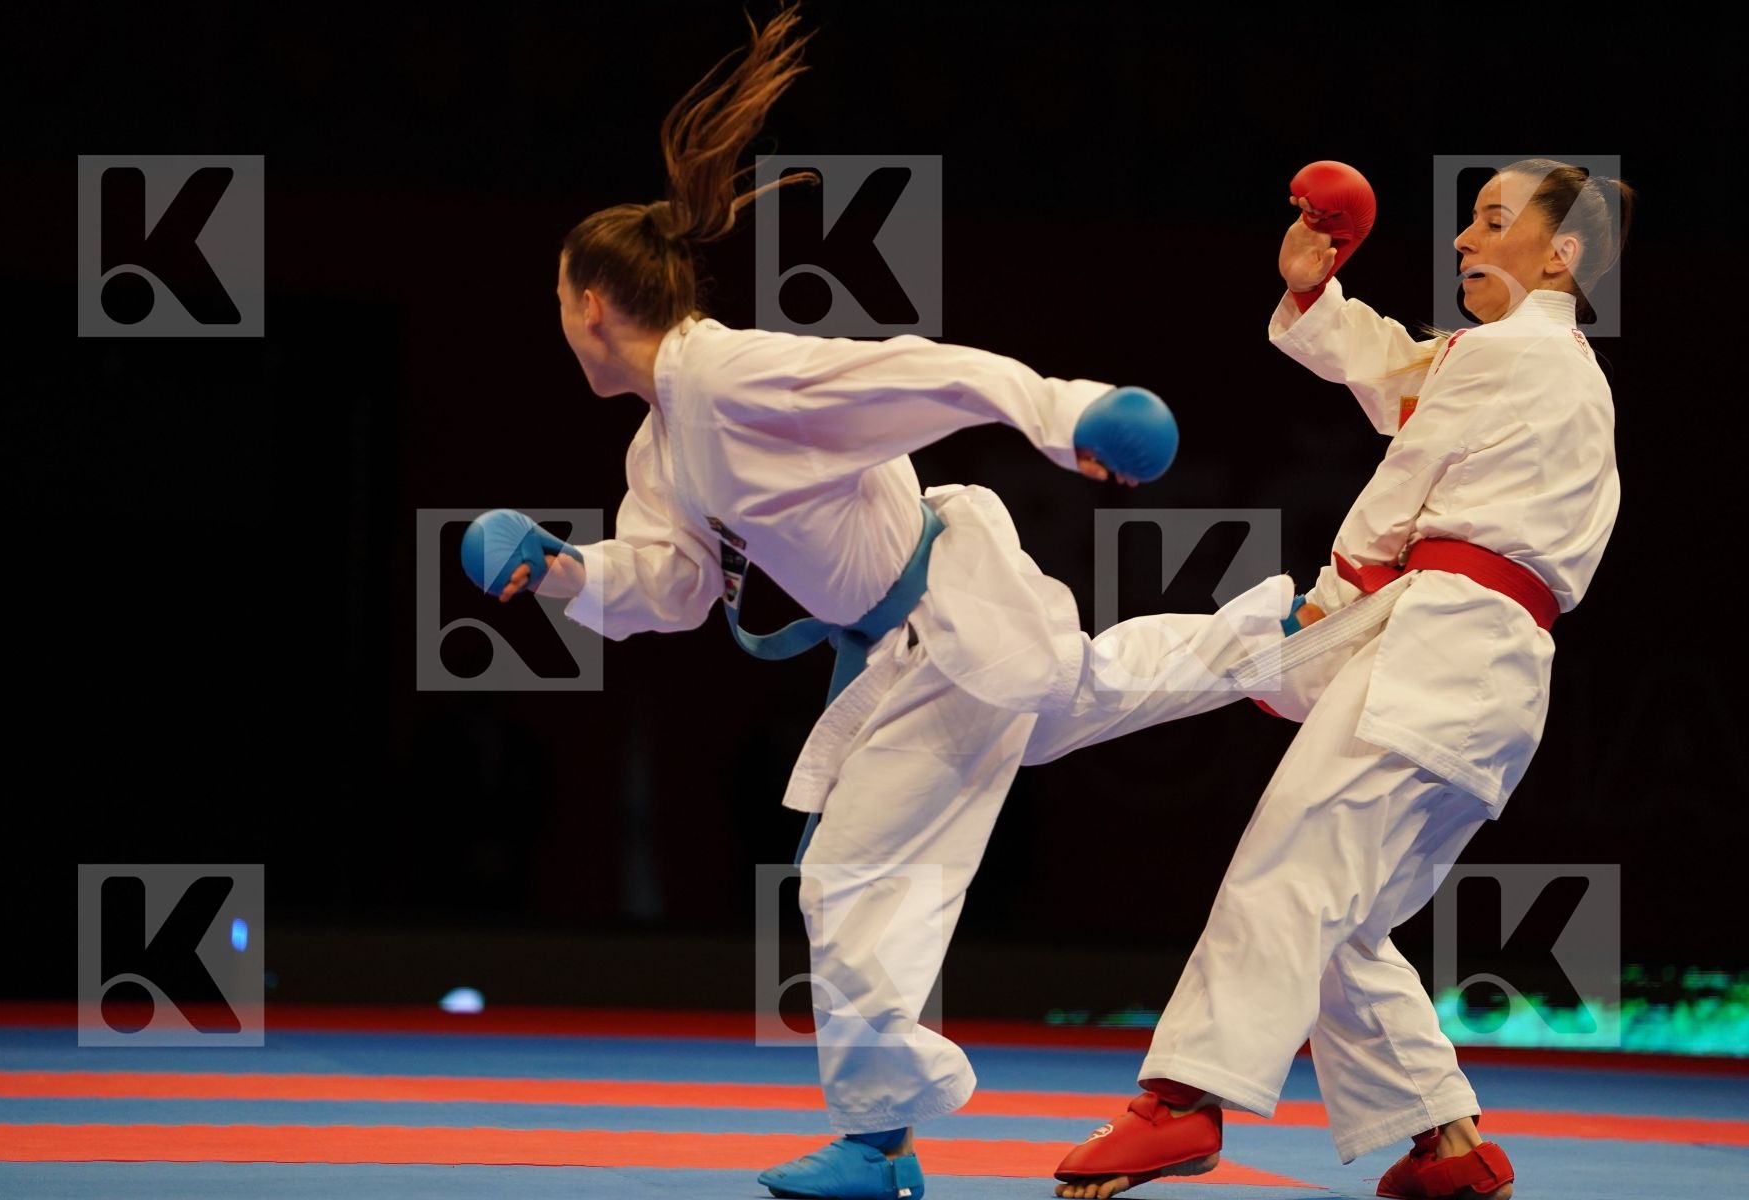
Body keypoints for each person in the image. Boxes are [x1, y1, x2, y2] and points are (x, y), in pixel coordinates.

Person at [460, 9, 1300, 1200]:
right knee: (1082, 690)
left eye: (556, 298)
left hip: (940, 622)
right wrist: (556, 570)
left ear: (592, 302)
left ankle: (881, 1142)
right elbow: (674, 586)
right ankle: (1285, 637)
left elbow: (927, 370)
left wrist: (1072, 416)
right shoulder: (664, 446)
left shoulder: (737, 377)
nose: (558, 322)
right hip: (922, 641)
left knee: (844, 881)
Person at [1050, 158, 1633, 1200]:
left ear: (1561, 254)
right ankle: (1446, 1148)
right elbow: (1412, 378)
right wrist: (1318, 297)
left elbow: (1405, 470)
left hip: (1443, 652)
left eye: (1493, 221)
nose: (1461, 240)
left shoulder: (1512, 357)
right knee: (1343, 922)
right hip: (1495, 684)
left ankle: (1183, 1103)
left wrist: (1332, 593)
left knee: (1288, 873)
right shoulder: (1545, 366)